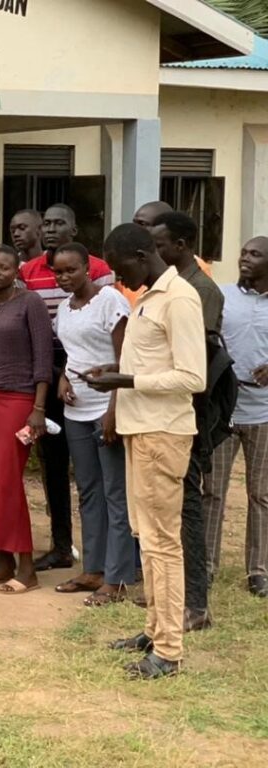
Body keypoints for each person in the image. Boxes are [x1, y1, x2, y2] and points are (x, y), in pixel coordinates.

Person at [89, 223, 206, 680]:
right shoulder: (148, 298)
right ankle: (155, 628)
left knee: (162, 544)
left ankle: (169, 650)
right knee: (148, 538)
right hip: (142, 430)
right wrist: (116, 370)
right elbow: (148, 363)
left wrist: (125, 382)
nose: (121, 280)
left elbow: (192, 377)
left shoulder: (179, 298)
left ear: (143, 254)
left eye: (122, 270)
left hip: (164, 433)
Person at [20, 203, 114, 572]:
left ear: (74, 230)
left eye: (60, 223)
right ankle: (61, 545)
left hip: (94, 383)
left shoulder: (101, 271)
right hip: (48, 377)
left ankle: (107, 551)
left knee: (100, 472)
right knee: (53, 467)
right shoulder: (28, 271)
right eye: (47, 223)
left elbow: (109, 326)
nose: (51, 229)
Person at [151, 211, 224, 632]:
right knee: (174, 509)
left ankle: (195, 603)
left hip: (190, 414)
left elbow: (200, 360)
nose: (154, 253)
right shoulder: (170, 287)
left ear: (180, 245)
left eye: (159, 245)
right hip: (170, 411)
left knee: (188, 507)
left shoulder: (198, 291)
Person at [51, 242, 134, 605]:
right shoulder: (63, 309)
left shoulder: (111, 301)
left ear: (88, 268)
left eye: (71, 269)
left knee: (115, 493)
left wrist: (114, 410)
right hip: (76, 412)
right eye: (58, 271)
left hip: (106, 408)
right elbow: (73, 354)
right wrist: (63, 380)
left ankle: (117, 578)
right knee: (88, 492)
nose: (64, 276)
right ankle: (94, 568)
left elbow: (125, 359)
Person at [0, 245, 52, 595]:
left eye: (4, 267)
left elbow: (43, 356)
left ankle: (27, 566)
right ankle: (2, 562)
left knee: (8, 483)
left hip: (20, 401)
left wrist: (39, 408)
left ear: (17, 270)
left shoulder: (30, 303)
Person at [203, 236, 268, 599]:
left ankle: (258, 572)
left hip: (264, 415)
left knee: (261, 495)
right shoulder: (223, 296)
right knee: (213, 492)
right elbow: (208, 341)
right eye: (243, 252)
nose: (244, 259)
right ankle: (207, 565)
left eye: (254, 255)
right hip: (224, 414)